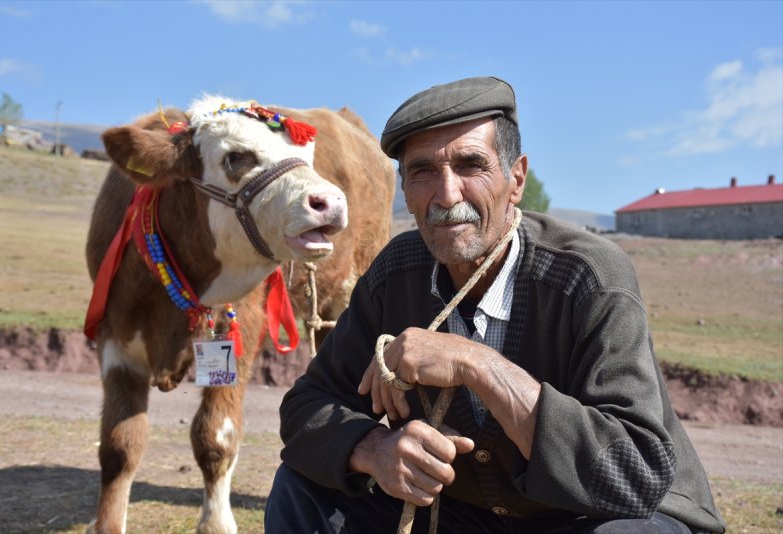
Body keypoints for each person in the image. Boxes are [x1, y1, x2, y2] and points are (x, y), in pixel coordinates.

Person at [265, 77, 725, 533]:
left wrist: (474, 362)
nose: (447, 196)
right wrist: (373, 447)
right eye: (423, 170)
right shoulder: (396, 273)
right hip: (466, 515)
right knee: (301, 489)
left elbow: (631, 475)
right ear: (404, 188)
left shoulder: (590, 276)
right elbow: (308, 406)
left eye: (471, 165)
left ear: (516, 178)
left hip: (591, 514)